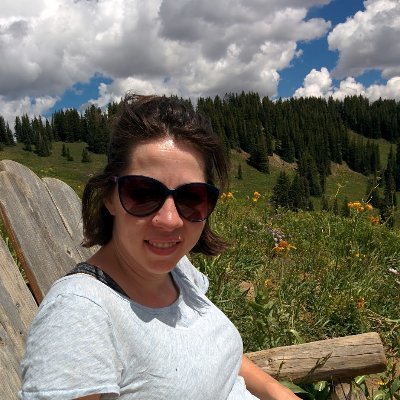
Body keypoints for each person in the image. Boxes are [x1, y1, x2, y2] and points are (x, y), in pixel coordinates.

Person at [20, 94, 300, 400]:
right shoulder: (79, 313)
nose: (169, 220)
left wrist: (277, 391)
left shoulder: (178, 270)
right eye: (142, 194)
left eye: (192, 197)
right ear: (110, 197)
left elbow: (206, 352)